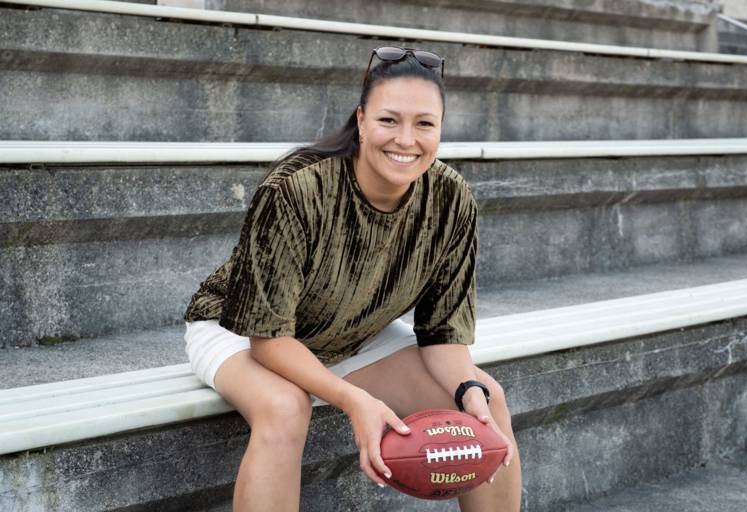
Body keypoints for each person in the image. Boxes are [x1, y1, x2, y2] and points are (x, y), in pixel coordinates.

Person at [182, 46, 522, 511]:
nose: (406, 139)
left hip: (353, 330)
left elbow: (442, 333)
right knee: (285, 409)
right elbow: (267, 337)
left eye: (424, 123)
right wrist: (352, 399)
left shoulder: (451, 198)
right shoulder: (296, 187)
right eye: (389, 120)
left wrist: (468, 391)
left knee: (488, 403)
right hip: (241, 329)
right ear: (361, 121)